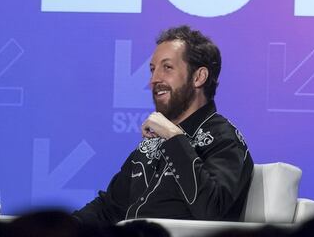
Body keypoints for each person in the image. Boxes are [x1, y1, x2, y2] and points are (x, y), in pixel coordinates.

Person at [73, 26, 253, 225]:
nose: (154, 80)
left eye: (167, 68)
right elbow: (109, 208)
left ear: (198, 77)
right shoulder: (153, 141)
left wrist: (174, 138)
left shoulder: (224, 138)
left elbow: (211, 209)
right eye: (152, 69)